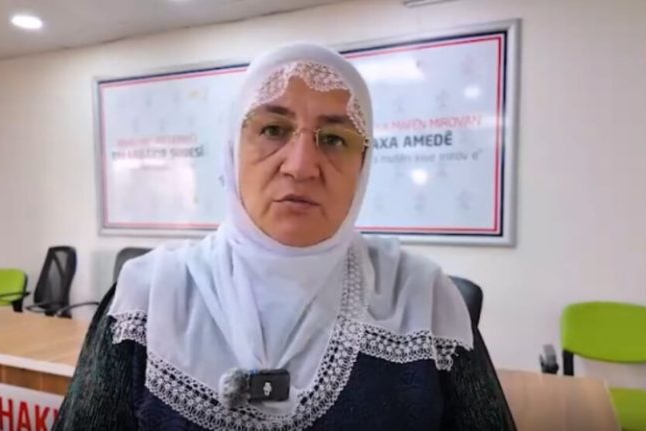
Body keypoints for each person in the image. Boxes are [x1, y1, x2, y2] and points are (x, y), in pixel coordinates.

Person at [54, 43, 515, 431]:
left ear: (364, 164)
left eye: (334, 139)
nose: (300, 166)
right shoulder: (150, 298)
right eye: (273, 130)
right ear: (233, 149)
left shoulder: (423, 301)